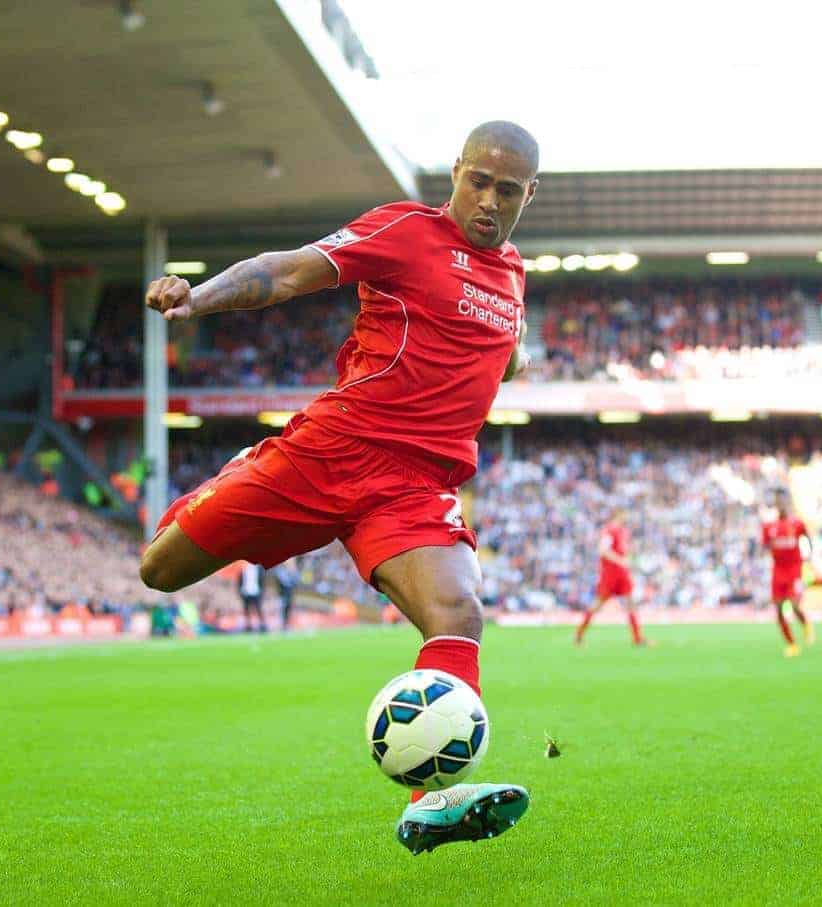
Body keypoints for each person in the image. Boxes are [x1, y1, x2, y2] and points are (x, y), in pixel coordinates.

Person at [140, 121, 538, 855]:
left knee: (458, 611)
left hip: (413, 485)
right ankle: (240, 470)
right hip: (332, 451)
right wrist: (199, 297)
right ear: (456, 172)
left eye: (505, 190)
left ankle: (431, 802)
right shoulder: (406, 232)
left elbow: (502, 350)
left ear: (527, 196)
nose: (487, 200)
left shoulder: (513, 274)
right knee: (160, 569)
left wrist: (508, 363)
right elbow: (288, 270)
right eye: (477, 181)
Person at [574, 507, 650, 647]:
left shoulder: (623, 531)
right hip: (610, 574)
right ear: (618, 514)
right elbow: (603, 550)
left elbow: (623, 550)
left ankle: (637, 638)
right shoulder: (609, 531)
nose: (627, 517)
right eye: (624, 514)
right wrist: (620, 560)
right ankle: (579, 634)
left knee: (630, 603)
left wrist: (627, 559)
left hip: (622, 573)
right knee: (598, 604)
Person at [761, 496, 815, 657]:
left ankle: (805, 624)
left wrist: (809, 555)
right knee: (778, 609)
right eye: (779, 505)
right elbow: (764, 545)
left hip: (794, 570)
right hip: (778, 571)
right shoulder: (769, 527)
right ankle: (792, 644)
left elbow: (807, 537)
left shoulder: (797, 524)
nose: (782, 508)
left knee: (794, 604)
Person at [238, 562, 266, 633]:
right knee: (246, 610)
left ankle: (262, 626)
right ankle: (248, 626)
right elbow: (240, 581)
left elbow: (262, 580)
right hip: (246, 592)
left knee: (258, 609)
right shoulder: (243, 569)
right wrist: (240, 590)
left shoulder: (259, 568)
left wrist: (262, 591)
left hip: (256, 591)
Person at [273, 558, 299, 631]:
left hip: (289, 595)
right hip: (281, 595)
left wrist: (293, 570)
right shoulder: (280, 571)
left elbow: (296, 581)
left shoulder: (292, 572)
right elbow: (283, 583)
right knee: (281, 610)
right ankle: (281, 625)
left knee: (288, 609)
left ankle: (287, 624)